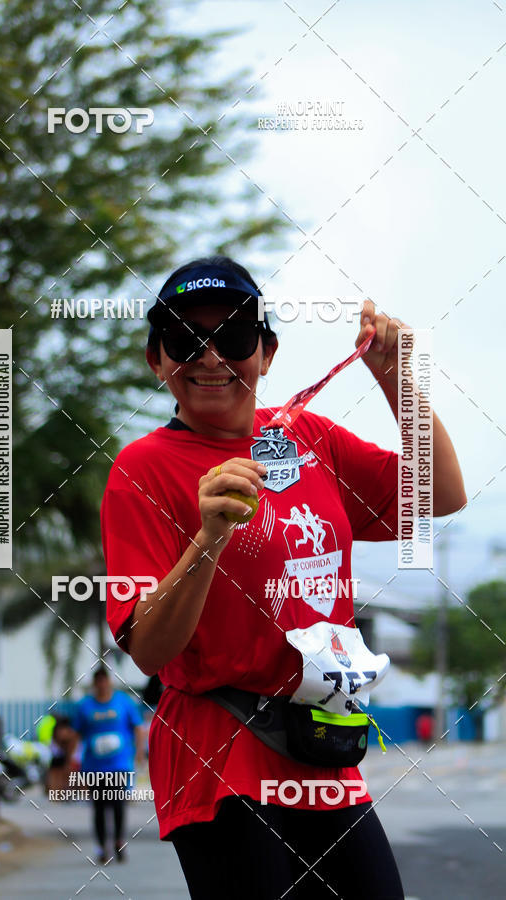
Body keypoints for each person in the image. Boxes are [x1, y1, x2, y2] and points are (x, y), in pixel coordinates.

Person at [102, 256, 467, 898]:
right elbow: (150, 651)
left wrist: (398, 380)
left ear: (266, 354)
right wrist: (208, 537)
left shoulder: (307, 439)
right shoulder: (143, 470)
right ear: (158, 360)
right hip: (217, 753)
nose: (211, 358)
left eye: (236, 338)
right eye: (186, 341)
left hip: (318, 744)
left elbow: (440, 493)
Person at [71, 667, 144, 863]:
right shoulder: (84, 707)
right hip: (94, 766)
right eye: (98, 682)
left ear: (109, 682)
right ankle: (102, 847)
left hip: (119, 765)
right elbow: (76, 735)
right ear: (94, 685)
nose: (102, 685)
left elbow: (138, 728)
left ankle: (119, 842)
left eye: (105, 681)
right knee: (100, 807)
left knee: (118, 804)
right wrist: (73, 759)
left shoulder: (123, 702)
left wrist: (139, 752)